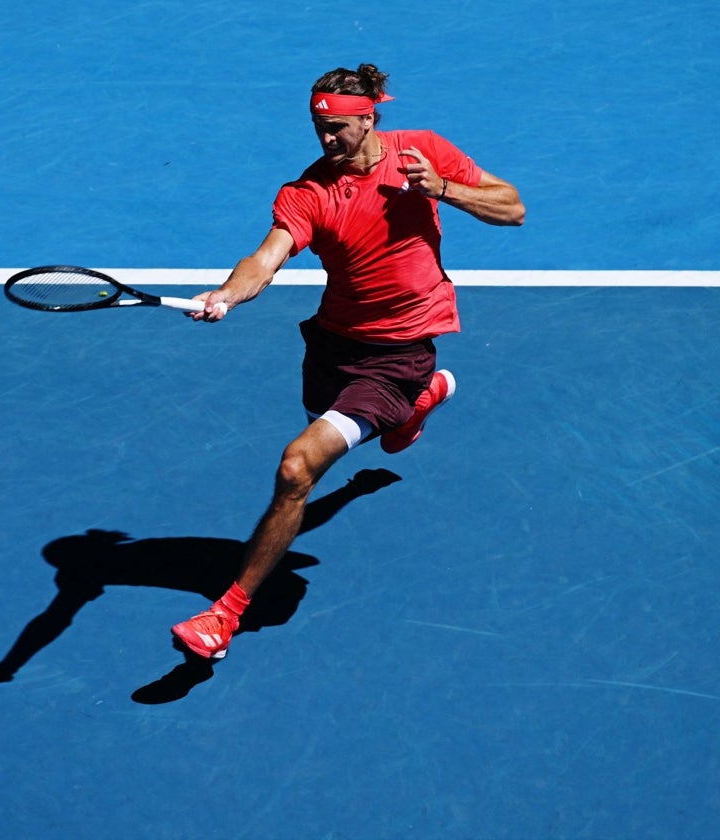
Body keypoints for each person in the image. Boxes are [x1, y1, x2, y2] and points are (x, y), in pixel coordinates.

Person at [170, 63, 525, 660]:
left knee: (296, 468)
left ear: (369, 118)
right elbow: (266, 258)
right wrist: (228, 292)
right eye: (318, 127)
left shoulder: (423, 153)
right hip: (336, 344)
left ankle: (223, 617)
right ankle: (415, 407)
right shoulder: (308, 192)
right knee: (325, 419)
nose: (327, 138)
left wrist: (441, 189)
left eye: (337, 126)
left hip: (402, 352)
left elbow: (511, 208)